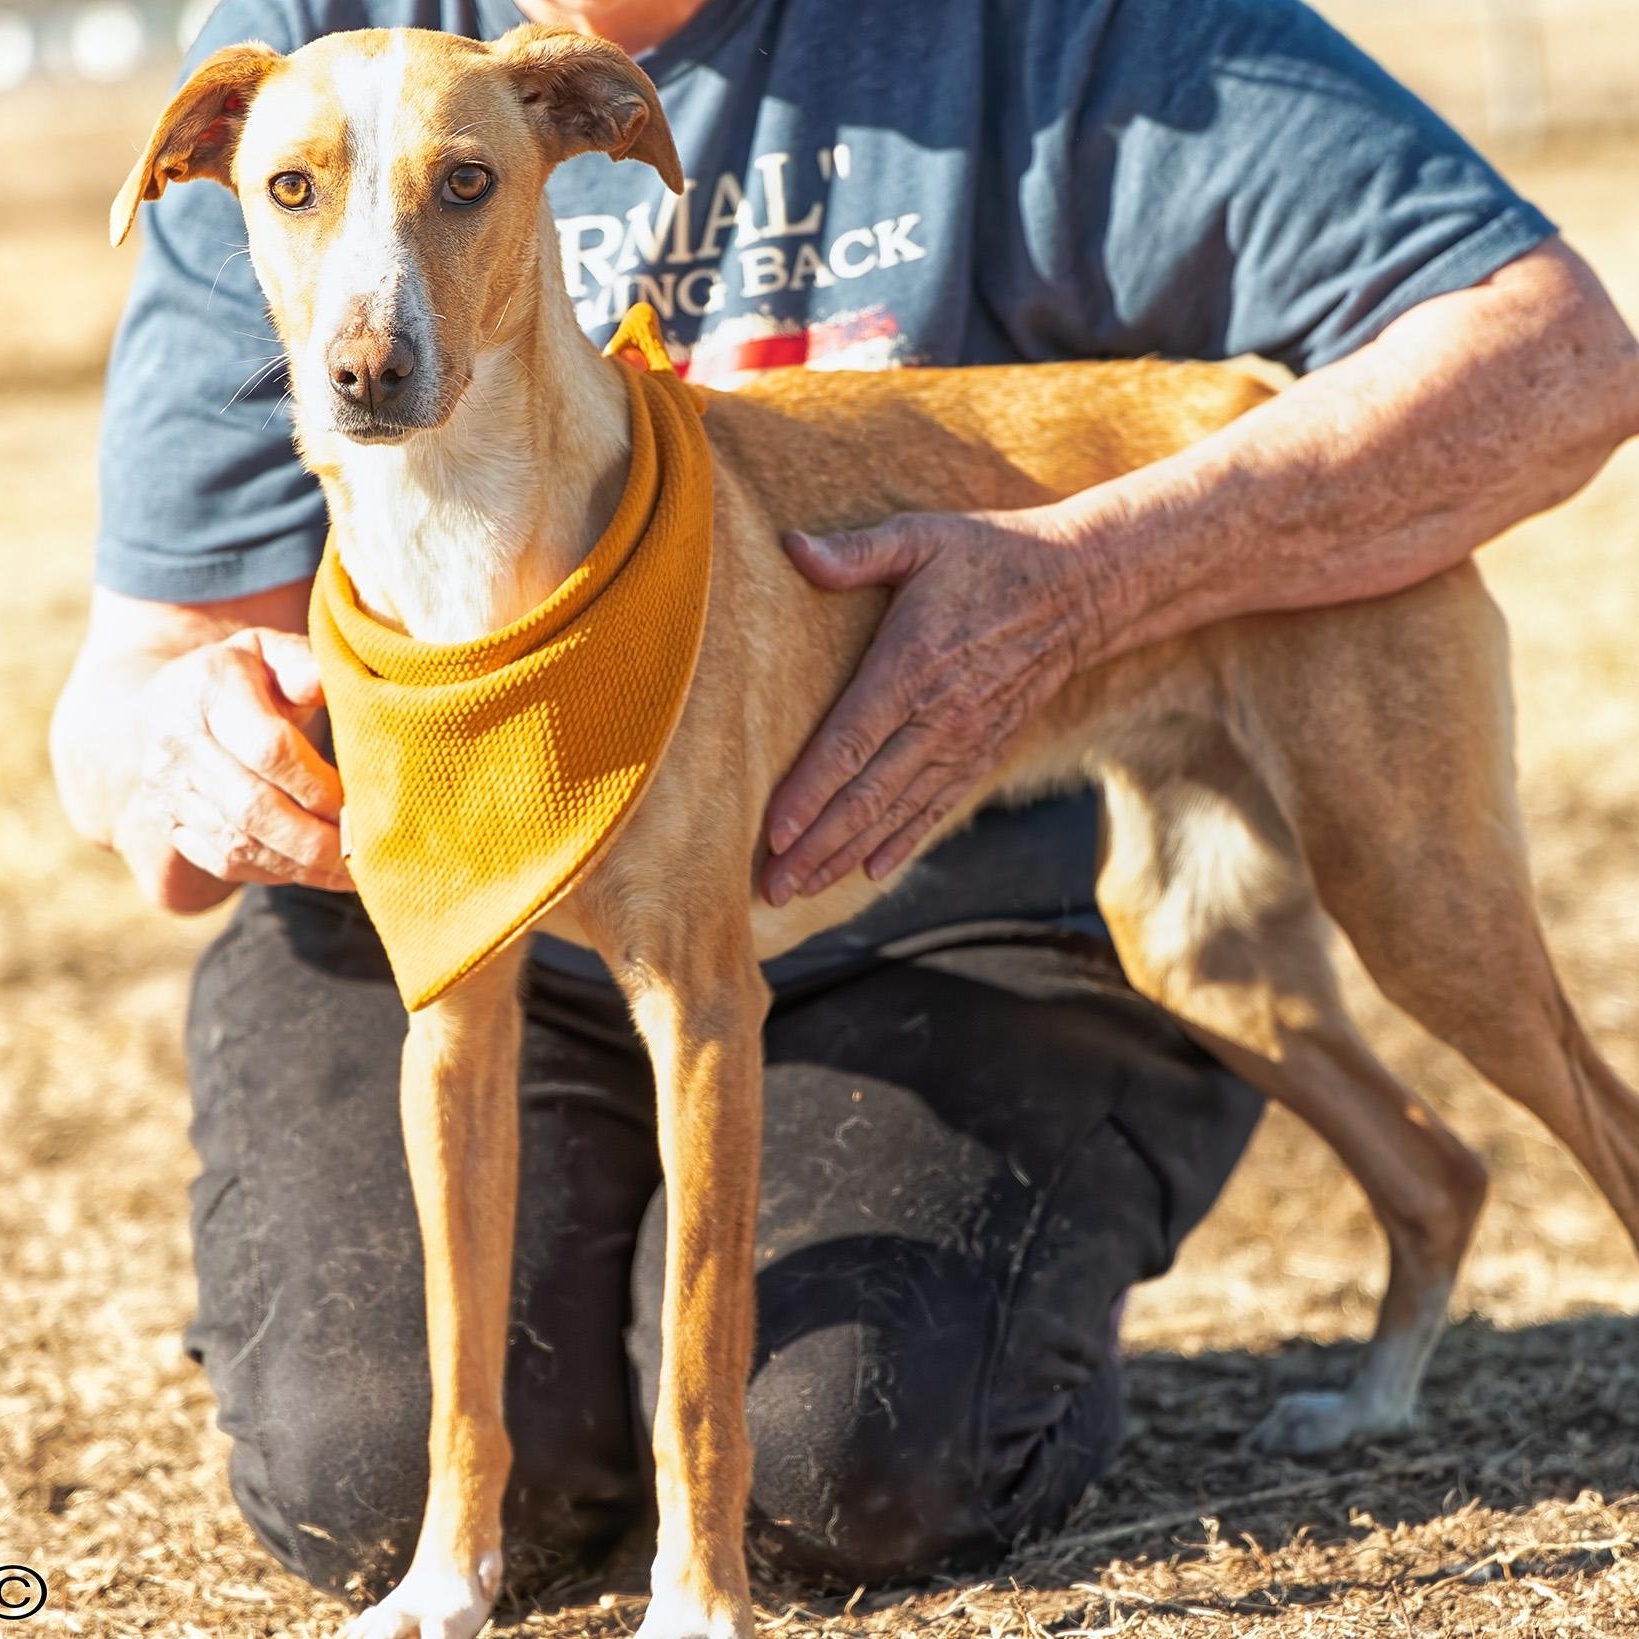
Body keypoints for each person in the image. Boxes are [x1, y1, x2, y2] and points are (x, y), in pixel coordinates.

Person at [51, 0, 1639, 1606]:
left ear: (576, 156)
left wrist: (1098, 582)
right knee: (361, 1469)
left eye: (462, 189)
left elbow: (1571, 355)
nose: (365, 302)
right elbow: (127, 716)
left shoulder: (1059, 27)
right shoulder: (301, 53)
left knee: (852, 1451)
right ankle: (1428, 1198)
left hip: (951, 904)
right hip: (461, 899)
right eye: (305, 197)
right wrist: (170, 744)